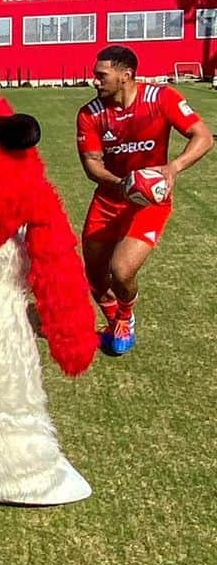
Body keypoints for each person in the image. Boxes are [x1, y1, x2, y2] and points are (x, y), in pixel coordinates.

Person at [76, 45, 212, 356]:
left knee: (121, 270)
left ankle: (126, 318)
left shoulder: (161, 99)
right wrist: (122, 183)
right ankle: (113, 320)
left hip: (150, 203)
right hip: (109, 200)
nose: (94, 81)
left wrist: (172, 168)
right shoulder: (90, 113)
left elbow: (202, 136)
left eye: (101, 76)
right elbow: (92, 165)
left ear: (126, 76)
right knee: (96, 277)